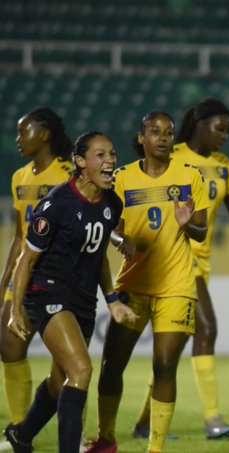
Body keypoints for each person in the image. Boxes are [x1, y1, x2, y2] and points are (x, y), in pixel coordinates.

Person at [131, 98, 229, 440]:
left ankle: (145, 423)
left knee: (169, 350)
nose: (225, 136)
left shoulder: (222, 165)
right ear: (200, 124)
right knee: (207, 329)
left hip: (200, 263)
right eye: (220, 129)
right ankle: (213, 418)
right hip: (174, 260)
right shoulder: (173, 157)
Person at [3, 131, 138, 453]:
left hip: (83, 300)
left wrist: (112, 299)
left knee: (58, 382)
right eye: (101, 156)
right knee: (81, 371)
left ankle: (22, 436)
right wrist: (16, 309)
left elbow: (98, 252)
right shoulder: (56, 205)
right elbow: (26, 258)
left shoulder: (111, 202)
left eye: (112, 155)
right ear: (80, 162)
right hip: (48, 293)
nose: (110, 162)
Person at [85, 111, 209, 453]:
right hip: (133, 285)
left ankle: (155, 448)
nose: (163, 137)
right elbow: (111, 227)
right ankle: (106, 438)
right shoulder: (121, 179)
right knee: (112, 367)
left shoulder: (190, 176)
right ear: (141, 138)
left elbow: (202, 230)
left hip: (177, 286)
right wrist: (118, 240)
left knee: (165, 366)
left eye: (168, 132)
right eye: (155, 131)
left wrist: (187, 224)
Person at [0, 108, 74, 431]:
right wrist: (4, 281)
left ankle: (77, 433)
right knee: (9, 345)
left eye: (23, 132)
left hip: (58, 278)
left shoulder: (68, 174)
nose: (18, 139)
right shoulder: (20, 178)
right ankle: (20, 427)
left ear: (44, 134)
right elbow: (19, 237)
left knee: (67, 363)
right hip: (24, 276)